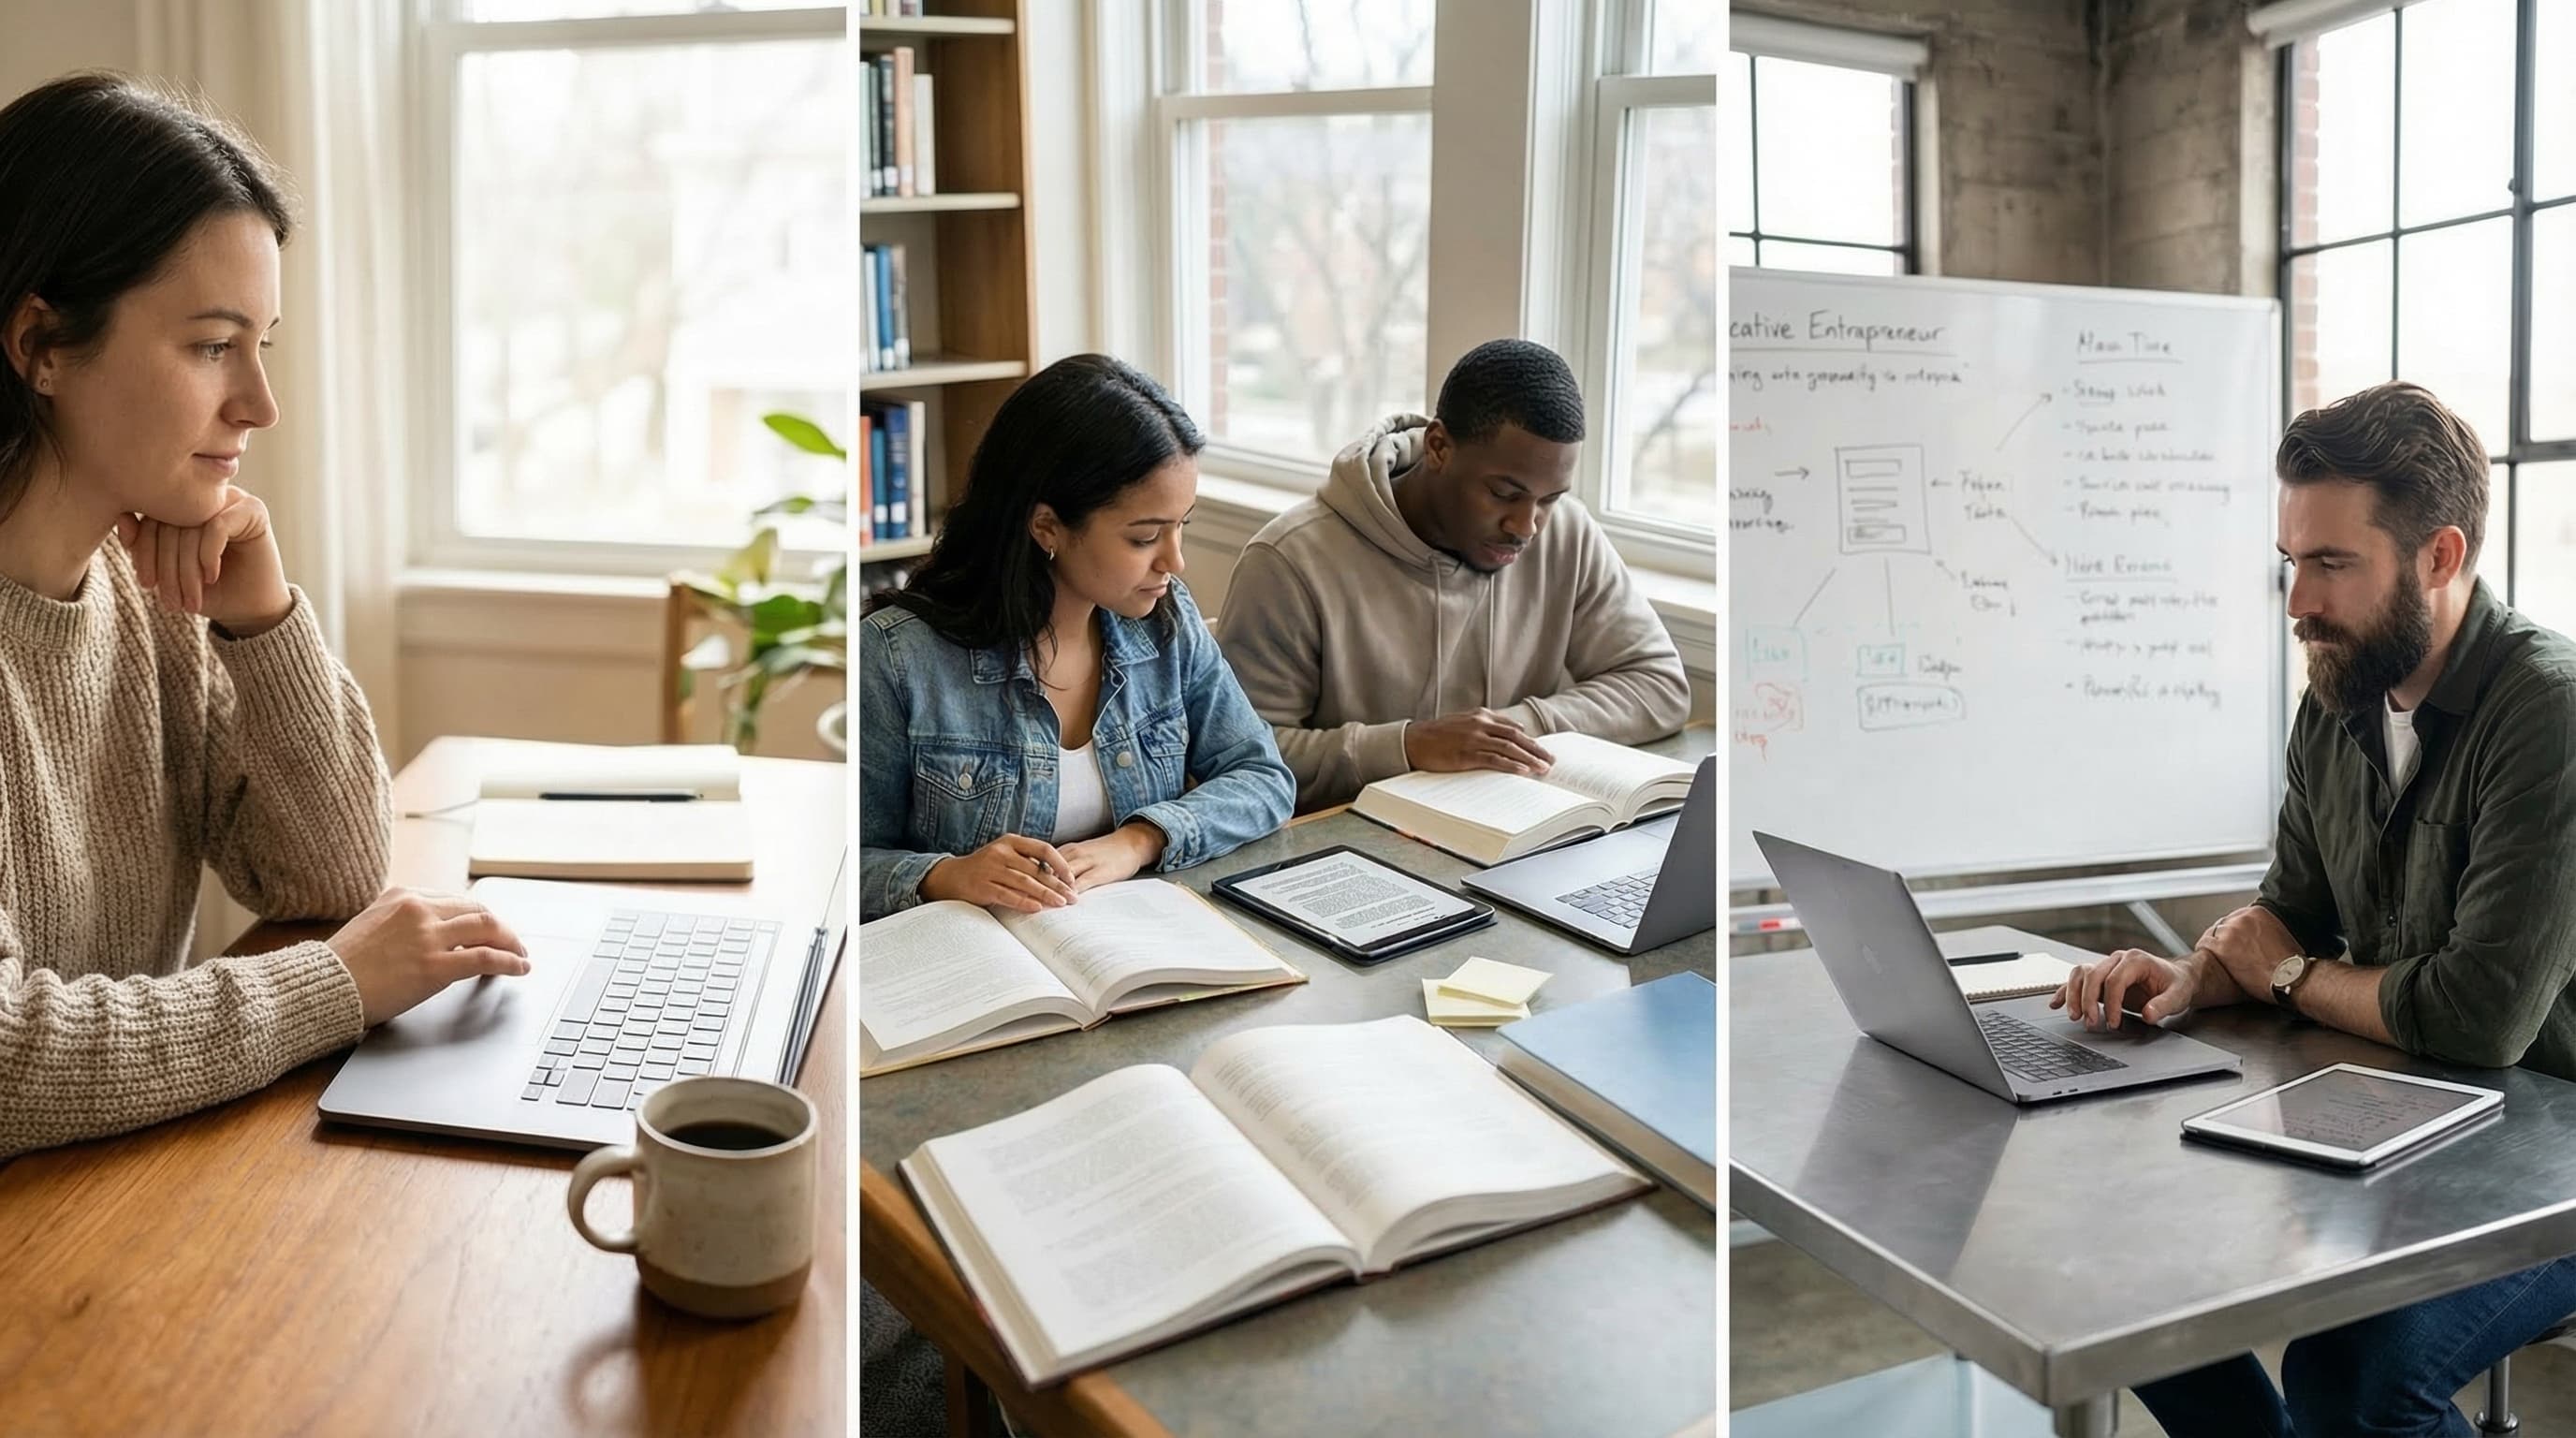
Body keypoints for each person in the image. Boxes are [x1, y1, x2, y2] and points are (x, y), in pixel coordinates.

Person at [0, 74, 533, 1159]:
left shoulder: (147, 593)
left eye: (263, 346)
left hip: (112, 1193)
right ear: (41, 345)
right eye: (210, 346)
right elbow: (10, 1064)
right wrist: (333, 986)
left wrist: (263, 620)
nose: (259, 404)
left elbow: (329, 876)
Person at [2048, 381, 2576, 1438]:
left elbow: (2481, 1017)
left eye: (2333, 564)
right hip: (2407, 1116)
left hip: (2551, 1140)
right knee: (2126, 1276)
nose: (2298, 602)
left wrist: (2288, 979)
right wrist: (2193, 976)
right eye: (2292, 562)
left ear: (2439, 556)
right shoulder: (2336, 694)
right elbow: (2285, 907)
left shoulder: (2548, 713)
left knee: (2357, 1384)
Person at [856, 352, 1294, 922]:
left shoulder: (1169, 623)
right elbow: (849, 863)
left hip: (1129, 945)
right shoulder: (896, 658)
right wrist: (946, 874)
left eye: (1182, 525)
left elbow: (1263, 778)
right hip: (975, 970)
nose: (1176, 561)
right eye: (1144, 538)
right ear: (1047, 527)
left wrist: (1139, 841)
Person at [1214, 337, 1690, 812]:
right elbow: (1239, 758)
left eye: (1550, 499)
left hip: (1505, 831)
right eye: (1505, 493)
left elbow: (1659, 685)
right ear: (1439, 446)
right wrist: (1407, 747)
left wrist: (1507, 731)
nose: (1526, 527)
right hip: (1339, 853)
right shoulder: (1289, 560)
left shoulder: (1567, 533)